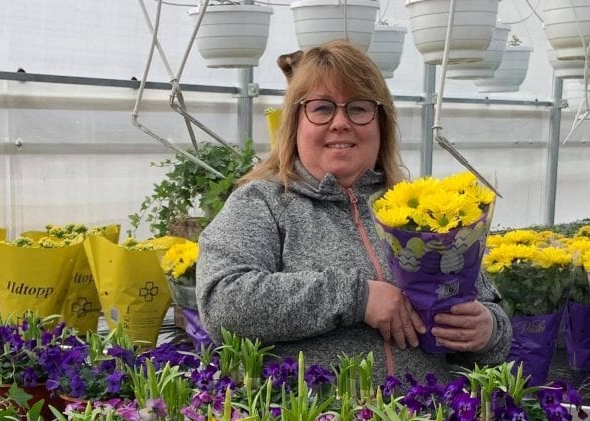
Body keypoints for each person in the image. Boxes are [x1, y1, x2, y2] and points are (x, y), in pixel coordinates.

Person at [196, 39, 512, 384]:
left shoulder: (418, 210)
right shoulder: (263, 203)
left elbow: (489, 311)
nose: (341, 122)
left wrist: (488, 329)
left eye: (358, 108)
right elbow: (223, 303)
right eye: (321, 108)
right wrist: (358, 298)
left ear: (381, 122)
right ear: (295, 123)